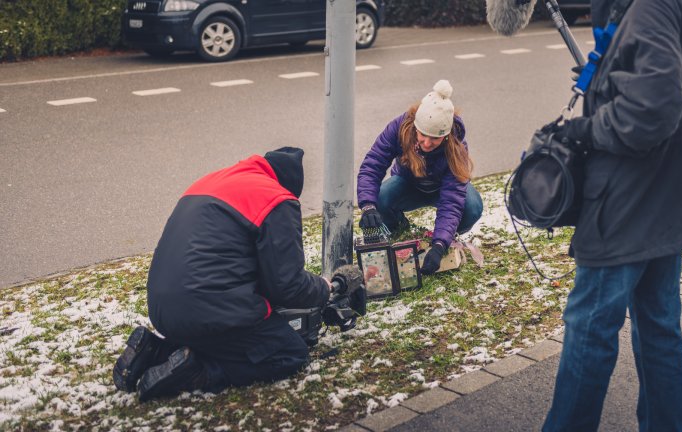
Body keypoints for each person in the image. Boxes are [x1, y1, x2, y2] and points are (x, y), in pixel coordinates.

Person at [542, 0, 682, 430]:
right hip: (667, 193)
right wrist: (607, 75)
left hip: (631, 199)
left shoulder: (650, 7)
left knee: (590, 328)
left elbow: (653, 110)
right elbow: (660, 82)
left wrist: (584, 129)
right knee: (659, 326)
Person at [113, 147, 337, 402]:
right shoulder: (276, 198)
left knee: (217, 340)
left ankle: (155, 351)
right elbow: (287, 286)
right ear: (290, 185)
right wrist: (323, 288)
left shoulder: (212, 182)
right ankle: (199, 373)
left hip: (163, 310)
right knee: (289, 352)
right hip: (208, 311)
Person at [356, 80, 483, 275]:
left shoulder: (456, 147)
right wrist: (367, 206)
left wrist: (440, 244)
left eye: (435, 138)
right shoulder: (399, 128)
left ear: (446, 135)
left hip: (442, 189)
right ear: (416, 126)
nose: (427, 142)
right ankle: (399, 227)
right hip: (409, 184)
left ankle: (449, 236)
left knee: (472, 207)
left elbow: (452, 199)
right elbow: (373, 165)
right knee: (381, 198)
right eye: (422, 134)